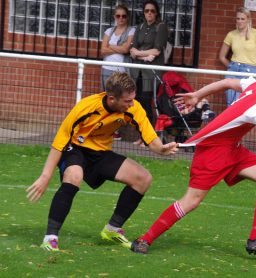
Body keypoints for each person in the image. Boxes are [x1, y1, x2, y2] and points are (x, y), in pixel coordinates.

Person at [131, 57, 256, 257]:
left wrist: (198, 94)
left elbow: (226, 82)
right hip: (213, 151)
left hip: (233, 149)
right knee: (191, 200)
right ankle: (144, 239)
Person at [26, 72, 178, 251]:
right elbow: (59, 142)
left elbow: (150, 138)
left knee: (143, 178)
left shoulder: (133, 108)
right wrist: (45, 176)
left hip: (100, 153)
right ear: (112, 98)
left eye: (132, 99)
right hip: (74, 149)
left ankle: (112, 230)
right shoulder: (86, 107)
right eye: (127, 101)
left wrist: (161, 149)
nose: (132, 104)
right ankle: (50, 238)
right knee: (74, 176)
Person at [130, 0, 168, 146]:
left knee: (147, 102)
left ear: (156, 12)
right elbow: (132, 51)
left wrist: (139, 53)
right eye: (147, 11)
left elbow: (157, 50)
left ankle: (149, 136)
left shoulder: (160, 27)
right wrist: (144, 55)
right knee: (137, 102)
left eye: (152, 11)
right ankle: (142, 135)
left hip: (151, 72)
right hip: (137, 70)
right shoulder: (140, 26)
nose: (149, 13)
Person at [219, 7, 256, 106]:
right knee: (231, 104)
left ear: (248, 20)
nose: (240, 21)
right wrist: (231, 67)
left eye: (242, 19)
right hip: (233, 70)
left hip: (250, 71)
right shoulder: (231, 35)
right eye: (238, 19)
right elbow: (222, 56)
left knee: (244, 104)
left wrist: (255, 72)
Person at [100, 4, 135, 140]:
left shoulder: (131, 31)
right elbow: (103, 50)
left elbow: (126, 49)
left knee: (120, 100)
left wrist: (110, 46)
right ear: (115, 17)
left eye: (124, 16)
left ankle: (116, 128)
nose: (121, 18)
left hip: (121, 70)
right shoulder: (109, 30)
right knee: (107, 98)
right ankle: (106, 127)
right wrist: (118, 47)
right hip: (107, 68)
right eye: (118, 16)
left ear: (127, 18)